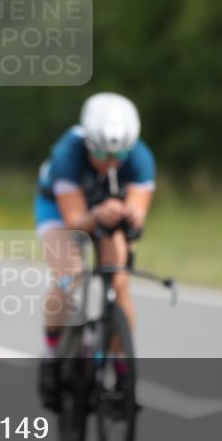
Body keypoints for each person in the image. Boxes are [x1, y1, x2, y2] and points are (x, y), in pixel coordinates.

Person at [33, 93, 155, 410]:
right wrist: (98, 214)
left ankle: (122, 369)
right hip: (60, 211)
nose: (111, 162)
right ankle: (51, 354)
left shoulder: (141, 158)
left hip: (106, 213)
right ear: (89, 143)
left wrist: (129, 216)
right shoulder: (67, 155)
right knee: (69, 275)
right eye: (101, 152)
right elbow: (75, 222)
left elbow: (138, 213)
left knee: (120, 280)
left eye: (120, 154)